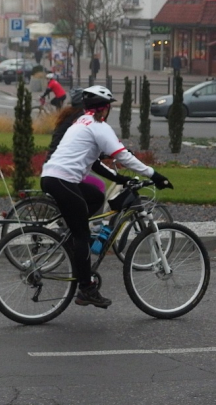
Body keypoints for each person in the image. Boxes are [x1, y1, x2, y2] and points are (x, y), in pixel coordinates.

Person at [41, 85, 173, 309]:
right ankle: (87, 289)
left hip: (54, 177)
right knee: (82, 233)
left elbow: (94, 163)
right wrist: (155, 175)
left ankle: (75, 239)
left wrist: (120, 179)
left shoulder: (81, 123)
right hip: (63, 180)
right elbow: (122, 155)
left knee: (95, 196)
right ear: (105, 108)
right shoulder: (98, 126)